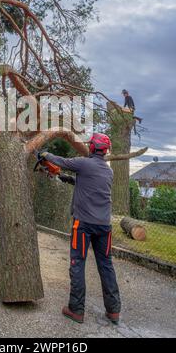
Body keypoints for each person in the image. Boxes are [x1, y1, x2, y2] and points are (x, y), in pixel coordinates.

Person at [40, 133, 121, 324]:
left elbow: (62, 161)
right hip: (104, 227)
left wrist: (45, 154)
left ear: (92, 147)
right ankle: (114, 310)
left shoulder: (84, 163)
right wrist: (65, 177)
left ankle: (76, 310)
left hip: (83, 224)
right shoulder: (108, 171)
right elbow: (88, 183)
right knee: (106, 265)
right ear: (105, 150)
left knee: (78, 263)